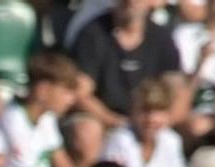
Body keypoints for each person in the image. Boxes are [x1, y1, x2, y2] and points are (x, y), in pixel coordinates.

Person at [69, 0, 183, 128]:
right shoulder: (93, 34)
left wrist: (163, 121)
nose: (131, 2)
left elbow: (177, 91)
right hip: (105, 120)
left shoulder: (162, 39)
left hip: (150, 121)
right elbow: (81, 93)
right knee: (86, 129)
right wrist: (115, 121)